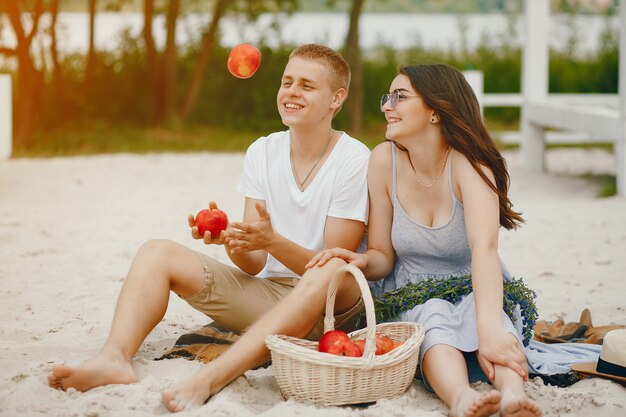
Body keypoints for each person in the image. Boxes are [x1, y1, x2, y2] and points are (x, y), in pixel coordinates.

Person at [47, 44, 371, 412]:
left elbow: (334, 264)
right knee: (158, 251)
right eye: (286, 82)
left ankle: (211, 378)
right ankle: (114, 359)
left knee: (328, 268)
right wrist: (233, 242)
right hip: (272, 294)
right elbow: (254, 262)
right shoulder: (262, 152)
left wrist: (273, 241)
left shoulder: (354, 159)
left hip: (330, 306)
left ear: (336, 98)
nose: (291, 92)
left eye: (307, 86)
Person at [307, 64, 543, 417]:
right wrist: (361, 261)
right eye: (387, 97)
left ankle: (512, 395)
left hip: (476, 280)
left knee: (491, 318)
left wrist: (489, 326)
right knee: (433, 319)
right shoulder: (383, 161)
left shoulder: (470, 165)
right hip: (411, 289)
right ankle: (461, 397)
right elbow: (383, 255)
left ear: (435, 111)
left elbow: (485, 250)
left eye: (400, 97)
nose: (387, 105)